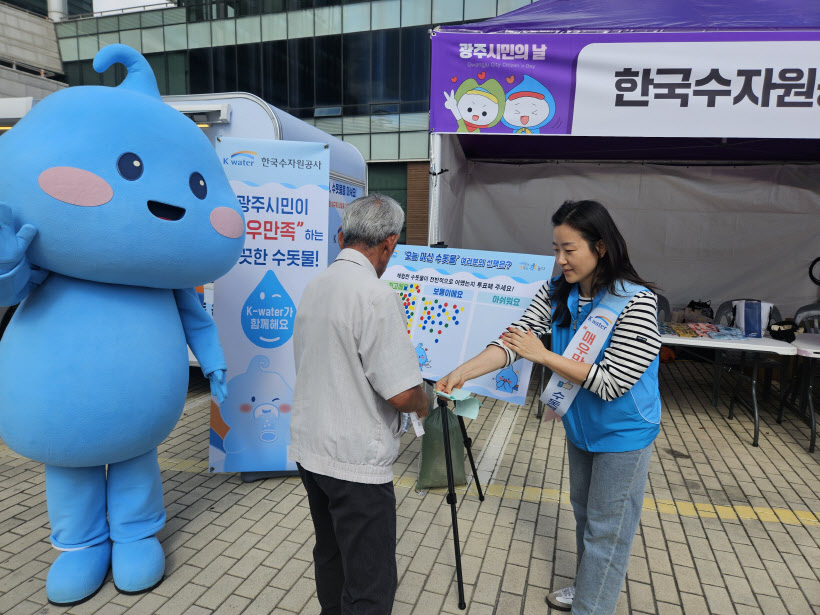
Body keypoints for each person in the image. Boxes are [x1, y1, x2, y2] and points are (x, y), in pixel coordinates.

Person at [437, 200, 662, 615]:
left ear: (601, 248)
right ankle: (588, 586)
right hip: (580, 428)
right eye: (556, 248)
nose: (559, 260)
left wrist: (542, 356)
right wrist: (462, 372)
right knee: (584, 514)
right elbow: (514, 342)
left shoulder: (638, 303)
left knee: (606, 530)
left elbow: (611, 382)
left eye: (568, 249)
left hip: (624, 431)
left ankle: (593, 607)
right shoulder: (557, 293)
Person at [290, 193, 429, 615]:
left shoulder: (316, 285)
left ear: (341, 235)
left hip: (311, 450)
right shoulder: (375, 295)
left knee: (331, 553)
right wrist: (427, 399)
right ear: (389, 242)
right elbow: (402, 393)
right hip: (355, 462)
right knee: (369, 576)